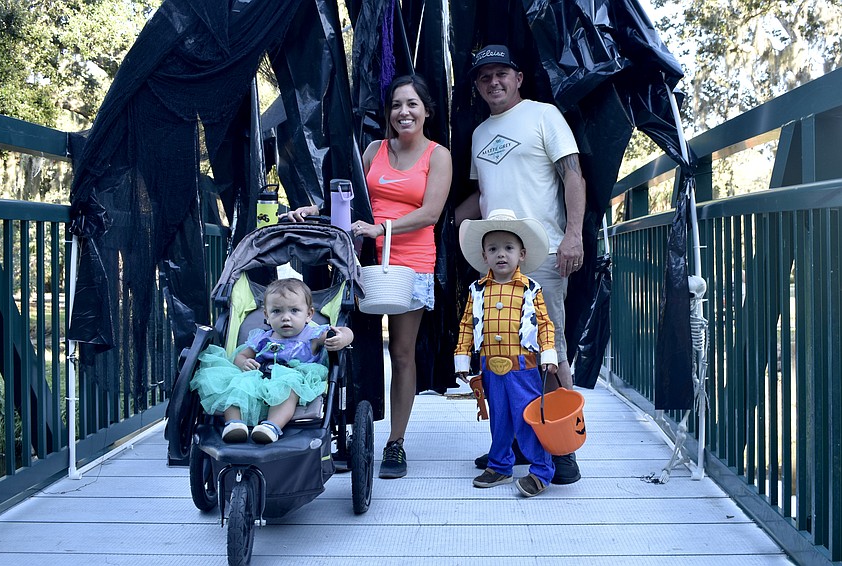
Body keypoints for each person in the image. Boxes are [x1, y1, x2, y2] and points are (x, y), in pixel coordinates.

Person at [284, 74, 453, 478]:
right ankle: (347, 437)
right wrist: (315, 208)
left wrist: (382, 228)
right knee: (351, 349)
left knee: (402, 353)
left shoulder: (438, 155)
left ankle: (395, 443)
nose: (403, 112)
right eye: (396, 105)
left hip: (410, 264)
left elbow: (431, 213)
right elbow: (347, 197)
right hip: (362, 263)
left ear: (426, 110)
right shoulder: (375, 149)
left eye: (412, 104)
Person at [455, 45, 586, 485]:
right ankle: (511, 446)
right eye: (484, 76)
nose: (494, 82)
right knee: (502, 356)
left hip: (542, 254)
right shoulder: (478, 135)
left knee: (550, 353)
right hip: (496, 263)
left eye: (501, 74)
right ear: (476, 86)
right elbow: (487, 191)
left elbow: (573, 175)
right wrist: (455, 219)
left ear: (518, 78)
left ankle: (561, 448)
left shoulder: (544, 115)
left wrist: (573, 234)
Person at [455, 209, 558, 497]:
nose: (501, 254)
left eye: (508, 248)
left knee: (527, 418)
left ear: (522, 254)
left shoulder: (530, 289)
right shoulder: (477, 290)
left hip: (523, 368)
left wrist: (548, 354)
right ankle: (499, 465)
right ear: (484, 256)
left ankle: (541, 470)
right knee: (499, 418)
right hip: (490, 367)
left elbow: (545, 324)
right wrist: (462, 357)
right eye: (493, 249)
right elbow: (466, 324)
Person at [191, 278, 353, 444]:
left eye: (294, 311)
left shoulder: (313, 335)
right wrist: (243, 363)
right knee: (237, 384)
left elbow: (344, 331)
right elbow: (242, 356)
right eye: (277, 311)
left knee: (289, 387)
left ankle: (271, 427)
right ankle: (234, 424)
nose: (286, 318)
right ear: (267, 315)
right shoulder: (262, 338)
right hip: (259, 380)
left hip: (292, 379)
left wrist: (343, 338)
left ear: (309, 314)